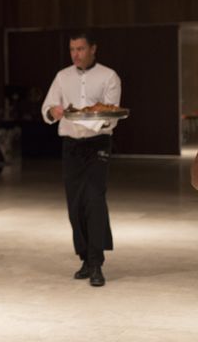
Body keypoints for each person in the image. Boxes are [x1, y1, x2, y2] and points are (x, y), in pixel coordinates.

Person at [41, 32, 121, 288]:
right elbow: (48, 110)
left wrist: (92, 117)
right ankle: (85, 258)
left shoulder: (109, 76)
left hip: (98, 144)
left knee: (94, 200)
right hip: (71, 146)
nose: (75, 54)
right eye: (72, 49)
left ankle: (97, 263)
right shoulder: (62, 77)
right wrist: (53, 112)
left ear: (93, 49)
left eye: (80, 49)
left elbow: (113, 115)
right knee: (75, 204)